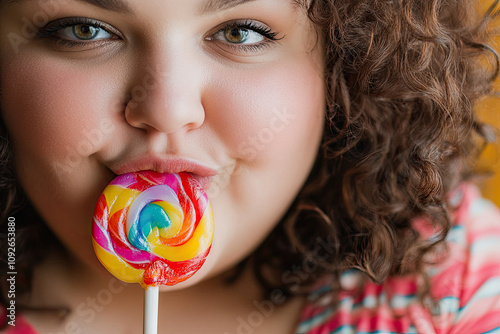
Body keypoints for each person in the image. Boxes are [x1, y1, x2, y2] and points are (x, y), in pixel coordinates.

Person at [1, 0, 500, 333]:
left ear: (345, 65)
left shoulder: (455, 290)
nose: (167, 109)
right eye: (83, 29)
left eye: (240, 32)